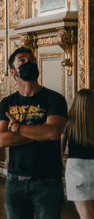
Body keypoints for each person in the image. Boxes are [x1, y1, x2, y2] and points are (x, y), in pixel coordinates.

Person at [0, 47, 67, 219]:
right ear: (13, 71)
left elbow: (52, 133)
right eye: (22, 60)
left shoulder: (55, 99)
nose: (29, 62)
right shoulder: (6, 103)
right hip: (15, 182)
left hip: (48, 181)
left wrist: (17, 128)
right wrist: (38, 130)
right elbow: (2, 140)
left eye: (32, 59)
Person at [61, 89, 94, 219]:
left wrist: (60, 165)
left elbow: (60, 149)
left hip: (76, 168)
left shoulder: (68, 122)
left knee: (85, 214)